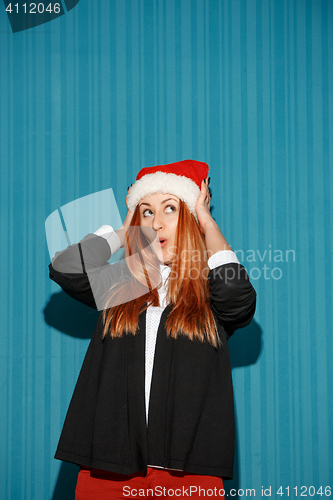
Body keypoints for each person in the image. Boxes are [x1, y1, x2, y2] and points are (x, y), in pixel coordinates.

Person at [49, 159, 257, 499]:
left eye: (170, 209)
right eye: (147, 212)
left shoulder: (211, 292)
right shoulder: (119, 286)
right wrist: (123, 231)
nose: (156, 222)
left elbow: (238, 298)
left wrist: (207, 223)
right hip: (109, 467)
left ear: (191, 219)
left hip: (189, 471)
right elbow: (65, 267)